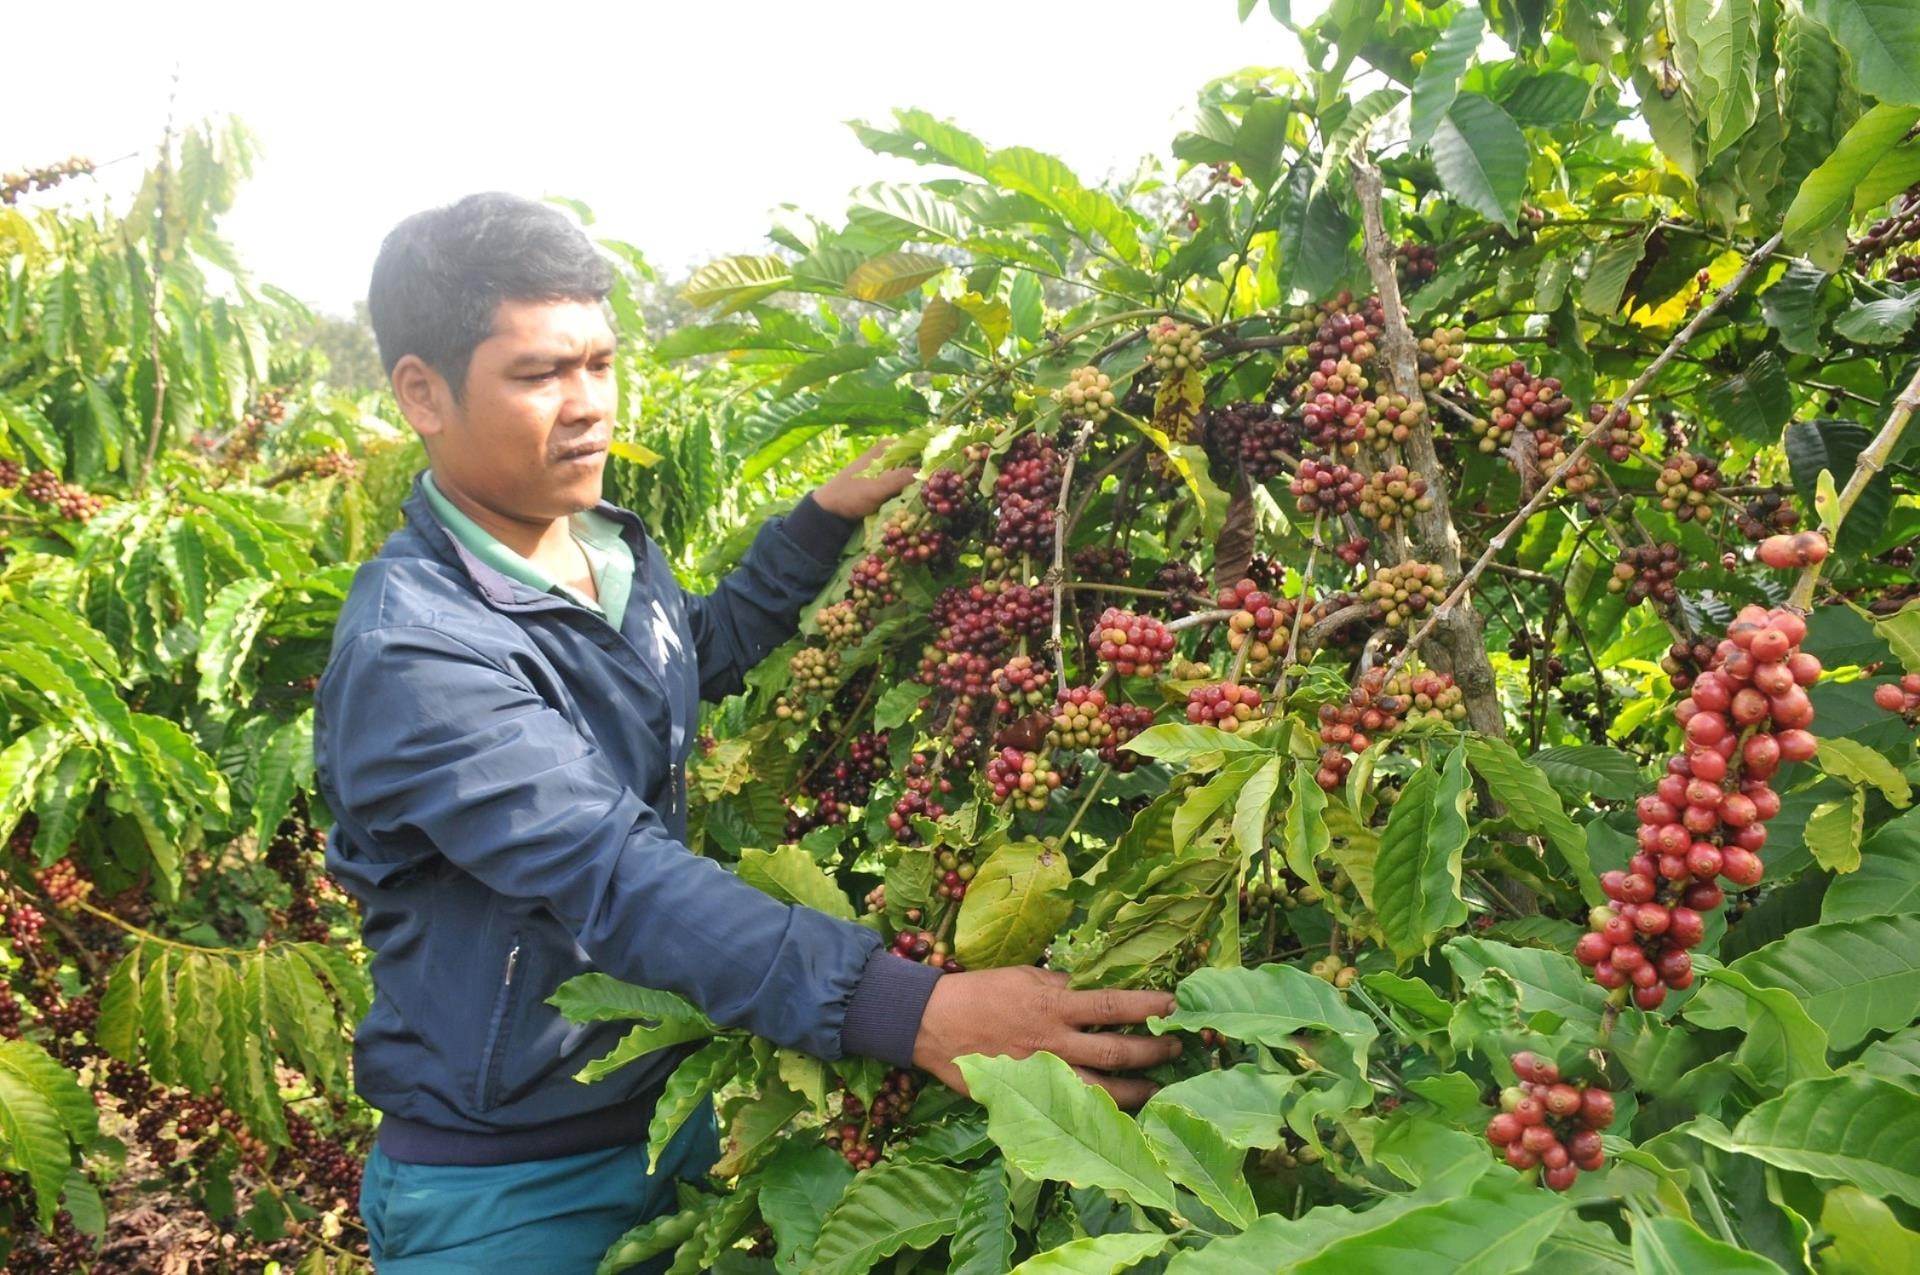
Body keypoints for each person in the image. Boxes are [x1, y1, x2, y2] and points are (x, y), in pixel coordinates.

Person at [314, 192, 1181, 1273]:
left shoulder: (598, 549)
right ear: (421, 394)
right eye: (539, 374)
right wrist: (912, 1011)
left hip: (675, 1103)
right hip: (507, 1183)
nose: (587, 406)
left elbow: (689, 655)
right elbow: (610, 872)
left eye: (600, 363)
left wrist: (816, 526)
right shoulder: (418, 653)